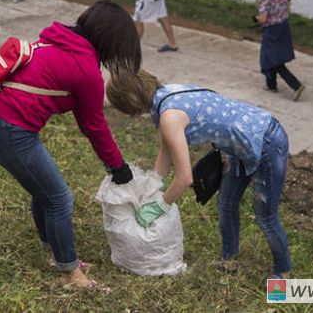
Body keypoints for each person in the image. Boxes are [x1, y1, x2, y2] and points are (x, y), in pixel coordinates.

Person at [0, 0, 141, 292]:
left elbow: (84, 116)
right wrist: (118, 167)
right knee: (59, 198)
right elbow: (94, 126)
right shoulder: (86, 69)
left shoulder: (60, 41)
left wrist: (114, 164)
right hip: (9, 129)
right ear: (110, 41)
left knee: (45, 190)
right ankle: (71, 274)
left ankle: (53, 250)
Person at [106, 70, 293, 280]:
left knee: (265, 217)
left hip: (266, 141)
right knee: (226, 205)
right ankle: (229, 263)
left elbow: (184, 178)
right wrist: (149, 187)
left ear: (131, 103)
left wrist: (158, 206)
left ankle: (283, 274)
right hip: (240, 146)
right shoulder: (168, 96)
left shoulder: (170, 116)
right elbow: (164, 156)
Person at [255, 0, 305, 101]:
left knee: (270, 59)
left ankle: (296, 85)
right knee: (275, 57)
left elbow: (263, 18)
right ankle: (271, 85)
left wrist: (256, 18)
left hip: (271, 30)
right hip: (283, 27)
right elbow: (288, 8)